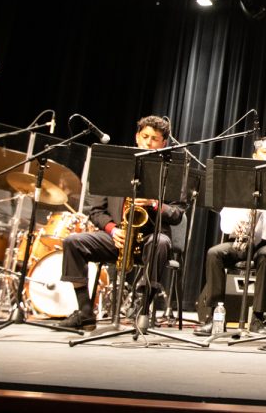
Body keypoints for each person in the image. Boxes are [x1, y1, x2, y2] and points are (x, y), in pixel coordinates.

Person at [58, 115, 185, 330]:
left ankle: (143, 309)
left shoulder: (170, 172)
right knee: (73, 242)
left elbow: (177, 214)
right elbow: (96, 211)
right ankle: (85, 312)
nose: (148, 142)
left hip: (150, 239)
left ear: (163, 143)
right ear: (137, 137)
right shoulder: (114, 166)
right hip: (116, 237)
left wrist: (155, 204)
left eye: (155, 139)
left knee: (161, 242)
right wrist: (112, 229)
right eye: (145, 136)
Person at [194, 136, 266, 335]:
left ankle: (257, 317)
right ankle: (216, 316)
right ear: (254, 156)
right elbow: (226, 224)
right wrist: (239, 220)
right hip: (245, 242)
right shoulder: (240, 183)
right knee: (215, 253)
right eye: (264, 153)